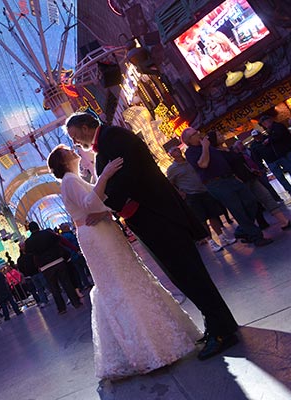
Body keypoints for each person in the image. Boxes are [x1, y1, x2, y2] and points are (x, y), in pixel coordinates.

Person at [66, 112, 238, 360]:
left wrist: (107, 201)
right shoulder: (107, 142)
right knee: (184, 274)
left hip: (157, 217)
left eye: (74, 135)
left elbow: (128, 178)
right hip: (152, 217)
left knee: (189, 273)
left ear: (84, 126)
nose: (76, 142)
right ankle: (219, 323)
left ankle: (222, 331)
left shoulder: (113, 139)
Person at [48, 144, 202, 379]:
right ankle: (147, 348)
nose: (72, 151)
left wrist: (103, 198)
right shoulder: (69, 180)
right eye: (67, 151)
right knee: (119, 281)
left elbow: (99, 200)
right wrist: (106, 175)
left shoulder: (74, 179)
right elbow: (90, 203)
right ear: (62, 162)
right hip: (96, 235)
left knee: (125, 277)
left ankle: (154, 342)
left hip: (101, 231)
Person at [181, 127, 272, 247]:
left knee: (251, 202)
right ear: (189, 139)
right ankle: (256, 237)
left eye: (197, 132)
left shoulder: (209, 146)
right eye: (195, 134)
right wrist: (205, 147)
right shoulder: (191, 152)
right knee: (237, 209)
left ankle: (242, 230)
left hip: (230, 178)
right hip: (216, 183)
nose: (198, 134)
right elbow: (203, 164)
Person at [166, 146, 236, 251]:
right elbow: (170, 184)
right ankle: (211, 242)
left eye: (178, 149)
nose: (178, 151)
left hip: (204, 190)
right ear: (171, 155)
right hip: (191, 195)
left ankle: (222, 237)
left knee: (213, 215)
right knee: (202, 220)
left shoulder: (190, 162)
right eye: (174, 150)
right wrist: (180, 192)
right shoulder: (172, 169)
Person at [25, 221, 82, 314]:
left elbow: (29, 253)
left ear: (30, 230)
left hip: (45, 267)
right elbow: (58, 241)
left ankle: (61, 308)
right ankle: (76, 302)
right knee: (66, 283)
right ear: (38, 227)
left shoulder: (29, 242)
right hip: (58, 261)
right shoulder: (47, 234)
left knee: (54, 288)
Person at [16, 241, 49, 308]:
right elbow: (21, 268)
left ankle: (54, 294)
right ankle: (44, 300)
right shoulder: (27, 256)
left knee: (45, 285)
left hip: (36, 272)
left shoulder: (30, 254)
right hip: (32, 274)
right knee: (39, 288)